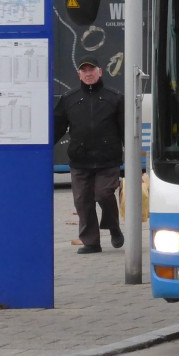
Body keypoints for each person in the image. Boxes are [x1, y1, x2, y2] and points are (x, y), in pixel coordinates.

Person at [53, 57, 125, 254]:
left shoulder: (115, 97)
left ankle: (113, 227)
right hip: (80, 160)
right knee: (83, 200)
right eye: (84, 70)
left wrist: (133, 158)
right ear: (79, 75)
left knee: (103, 194)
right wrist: (41, 150)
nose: (88, 73)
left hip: (107, 159)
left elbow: (125, 129)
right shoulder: (69, 99)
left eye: (91, 69)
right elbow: (56, 127)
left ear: (100, 72)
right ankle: (91, 242)